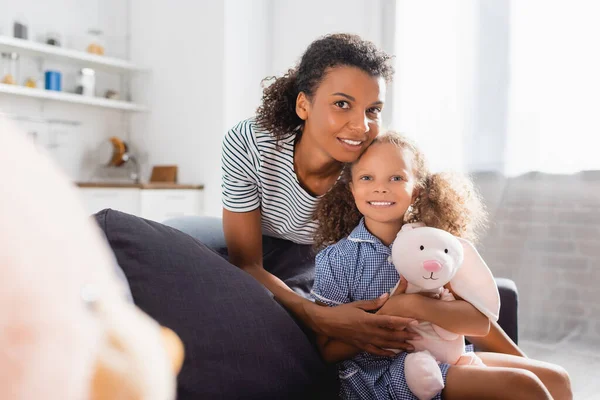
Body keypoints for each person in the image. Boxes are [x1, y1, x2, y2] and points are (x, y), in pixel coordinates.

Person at [166, 32, 518, 362]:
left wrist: (522, 362)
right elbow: (247, 262)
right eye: (342, 104)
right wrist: (320, 317)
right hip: (256, 235)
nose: (361, 125)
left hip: (311, 253)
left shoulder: (368, 169)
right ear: (304, 105)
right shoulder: (250, 143)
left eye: (373, 109)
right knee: (180, 242)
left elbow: (436, 268)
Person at [311, 131, 573, 400]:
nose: (381, 187)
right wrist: (390, 313)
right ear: (351, 187)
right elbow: (327, 351)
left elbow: (479, 325)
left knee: (556, 379)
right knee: (524, 387)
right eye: (367, 177)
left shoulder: (437, 245)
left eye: (396, 178)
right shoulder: (337, 260)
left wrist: (412, 305)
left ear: (417, 190)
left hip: (446, 356)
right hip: (382, 377)